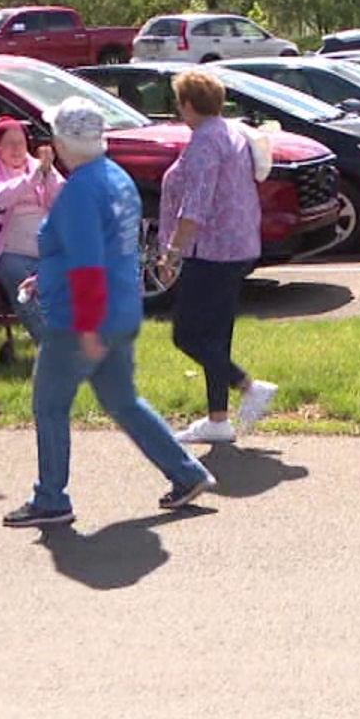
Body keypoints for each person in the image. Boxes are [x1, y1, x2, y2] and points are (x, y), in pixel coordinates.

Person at [3, 100, 217, 528]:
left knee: (49, 405)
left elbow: (85, 260)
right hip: (121, 308)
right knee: (123, 401)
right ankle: (187, 472)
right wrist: (46, 278)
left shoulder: (81, 189)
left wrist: (84, 325)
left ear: (64, 142)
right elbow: (97, 249)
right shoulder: (117, 180)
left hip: (80, 319)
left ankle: (50, 499)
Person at [158, 69, 279, 445]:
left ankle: (248, 386)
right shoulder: (229, 132)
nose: (179, 109)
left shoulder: (206, 143)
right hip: (238, 245)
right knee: (215, 335)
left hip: (211, 251)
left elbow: (195, 205)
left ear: (188, 104)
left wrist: (173, 252)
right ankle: (218, 419)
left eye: (179, 102)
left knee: (188, 335)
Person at [0, 118, 63, 344]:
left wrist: (48, 175)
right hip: (9, 252)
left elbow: (64, 200)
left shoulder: (37, 166)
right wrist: (29, 182)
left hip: (47, 250)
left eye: (20, 143)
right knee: (23, 286)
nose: (16, 149)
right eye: (9, 143)